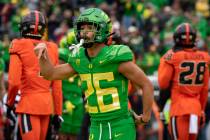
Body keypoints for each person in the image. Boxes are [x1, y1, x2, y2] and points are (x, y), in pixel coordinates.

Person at [34, 8, 154, 140]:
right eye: (82, 28)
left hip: (119, 123)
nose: (84, 31)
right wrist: (42, 56)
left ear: (102, 30)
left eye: (90, 27)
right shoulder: (80, 59)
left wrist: (145, 117)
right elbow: (50, 74)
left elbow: (146, 84)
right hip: (96, 125)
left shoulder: (115, 57)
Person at [6, 10, 63, 140]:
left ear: (24, 27)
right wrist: (58, 113)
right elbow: (57, 87)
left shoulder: (18, 44)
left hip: (28, 105)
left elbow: (14, 82)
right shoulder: (53, 48)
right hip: (47, 107)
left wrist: (9, 104)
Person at [158, 23, 209, 140]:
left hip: (179, 109)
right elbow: (205, 89)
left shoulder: (172, 57)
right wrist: (201, 110)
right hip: (196, 109)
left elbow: (163, 83)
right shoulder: (204, 57)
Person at [58, 30, 85, 140]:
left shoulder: (84, 57)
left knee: (75, 132)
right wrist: (62, 98)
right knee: (62, 133)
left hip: (78, 99)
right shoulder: (63, 54)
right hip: (65, 97)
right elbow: (55, 78)